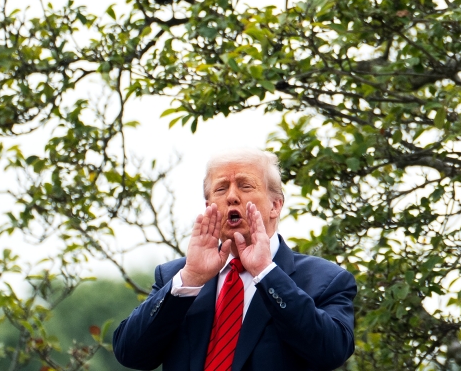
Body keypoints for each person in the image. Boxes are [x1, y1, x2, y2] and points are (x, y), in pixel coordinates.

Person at [112, 148, 357, 371]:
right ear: (209, 207)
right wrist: (191, 279)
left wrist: (266, 273)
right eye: (221, 189)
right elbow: (130, 354)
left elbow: (331, 352)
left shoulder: (326, 280)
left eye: (245, 186)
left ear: (275, 205)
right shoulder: (177, 277)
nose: (232, 196)